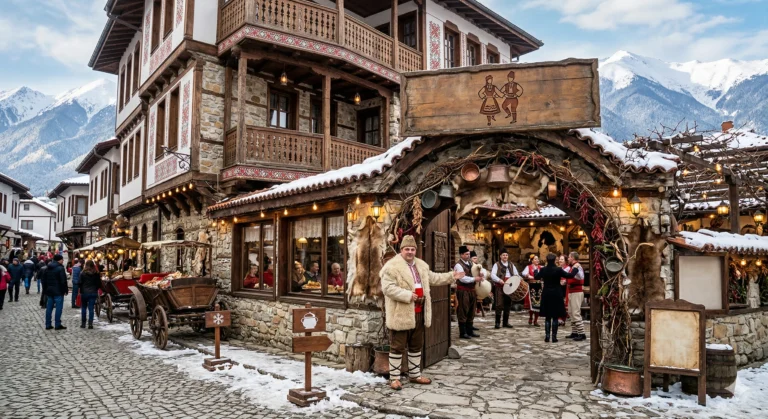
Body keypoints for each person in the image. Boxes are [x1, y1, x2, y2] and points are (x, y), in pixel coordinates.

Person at [380, 235, 465, 390]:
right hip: (401, 313)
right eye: (407, 249)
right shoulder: (392, 267)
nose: (410, 252)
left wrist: (451, 276)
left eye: (412, 249)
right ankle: (394, 378)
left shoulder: (421, 265)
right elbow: (388, 288)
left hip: (419, 312)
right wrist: (407, 295)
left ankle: (415, 375)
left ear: (415, 250)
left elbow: (434, 278)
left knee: (416, 345)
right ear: (401, 250)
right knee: (397, 346)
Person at [534, 253, 579, 343]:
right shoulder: (558, 269)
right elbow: (570, 275)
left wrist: (535, 270)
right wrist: (575, 268)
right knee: (555, 316)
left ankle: (547, 336)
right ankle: (554, 337)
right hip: (556, 293)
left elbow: (536, 277)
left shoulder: (543, 269)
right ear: (555, 260)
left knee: (547, 316)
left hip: (546, 293)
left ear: (547, 260)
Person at [454, 246, 483, 339]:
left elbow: (477, 272)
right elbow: (462, 278)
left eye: (469, 254)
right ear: (461, 255)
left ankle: (470, 331)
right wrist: (475, 279)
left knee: (471, 310)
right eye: (466, 254)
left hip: (471, 290)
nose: (468, 256)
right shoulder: (458, 265)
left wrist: (480, 274)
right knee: (463, 310)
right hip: (463, 291)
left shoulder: (471, 263)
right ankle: (463, 333)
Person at [490, 248, 519, 329]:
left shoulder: (511, 264)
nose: (505, 256)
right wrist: (499, 280)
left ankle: (505, 322)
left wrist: (517, 280)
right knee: (499, 304)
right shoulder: (496, 264)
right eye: (503, 255)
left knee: (508, 304)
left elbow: (516, 274)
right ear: (500, 256)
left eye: (506, 255)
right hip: (500, 286)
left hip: (509, 287)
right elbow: (492, 275)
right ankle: (497, 323)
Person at [43, 254, 68, 330]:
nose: (63, 261)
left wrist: (45, 289)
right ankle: (57, 324)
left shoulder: (47, 268)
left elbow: (44, 280)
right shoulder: (60, 268)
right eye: (62, 259)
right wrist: (65, 290)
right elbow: (63, 281)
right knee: (58, 308)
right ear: (59, 260)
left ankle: (48, 324)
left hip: (50, 290)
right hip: (58, 291)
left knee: (49, 308)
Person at [565, 252, 586, 341]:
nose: (568, 259)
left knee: (575, 313)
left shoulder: (577, 266)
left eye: (569, 257)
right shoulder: (573, 267)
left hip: (576, 292)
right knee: (570, 312)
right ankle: (575, 332)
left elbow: (578, 276)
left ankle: (582, 333)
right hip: (572, 291)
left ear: (573, 258)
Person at [79, 260, 102, 329]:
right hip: (93, 292)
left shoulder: (82, 273)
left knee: (83, 308)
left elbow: (79, 283)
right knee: (91, 308)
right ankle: (90, 324)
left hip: (84, 292)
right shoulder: (96, 273)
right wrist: (95, 288)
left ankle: (83, 324)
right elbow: (99, 284)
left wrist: (81, 289)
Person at [522, 255, 542, 326]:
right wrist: (528, 276)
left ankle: (536, 320)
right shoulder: (529, 267)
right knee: (532, 304)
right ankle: (531, 317)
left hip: (539, 287)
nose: (537, 260)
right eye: (535, 259)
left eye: (537, 259)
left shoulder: (540, 267)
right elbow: (523, 273)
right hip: (531, 287)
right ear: (532, 260)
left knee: (538, 304)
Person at [557, 255, 570, 326]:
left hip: (565, 288)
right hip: (559, 287)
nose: (560, 260)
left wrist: (565, 281)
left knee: (564, 303)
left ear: (565, 261)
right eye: (560, 259)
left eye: (562, 259)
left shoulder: (568, 268)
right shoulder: (559, 268)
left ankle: (563, 319)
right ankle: (559, 318)